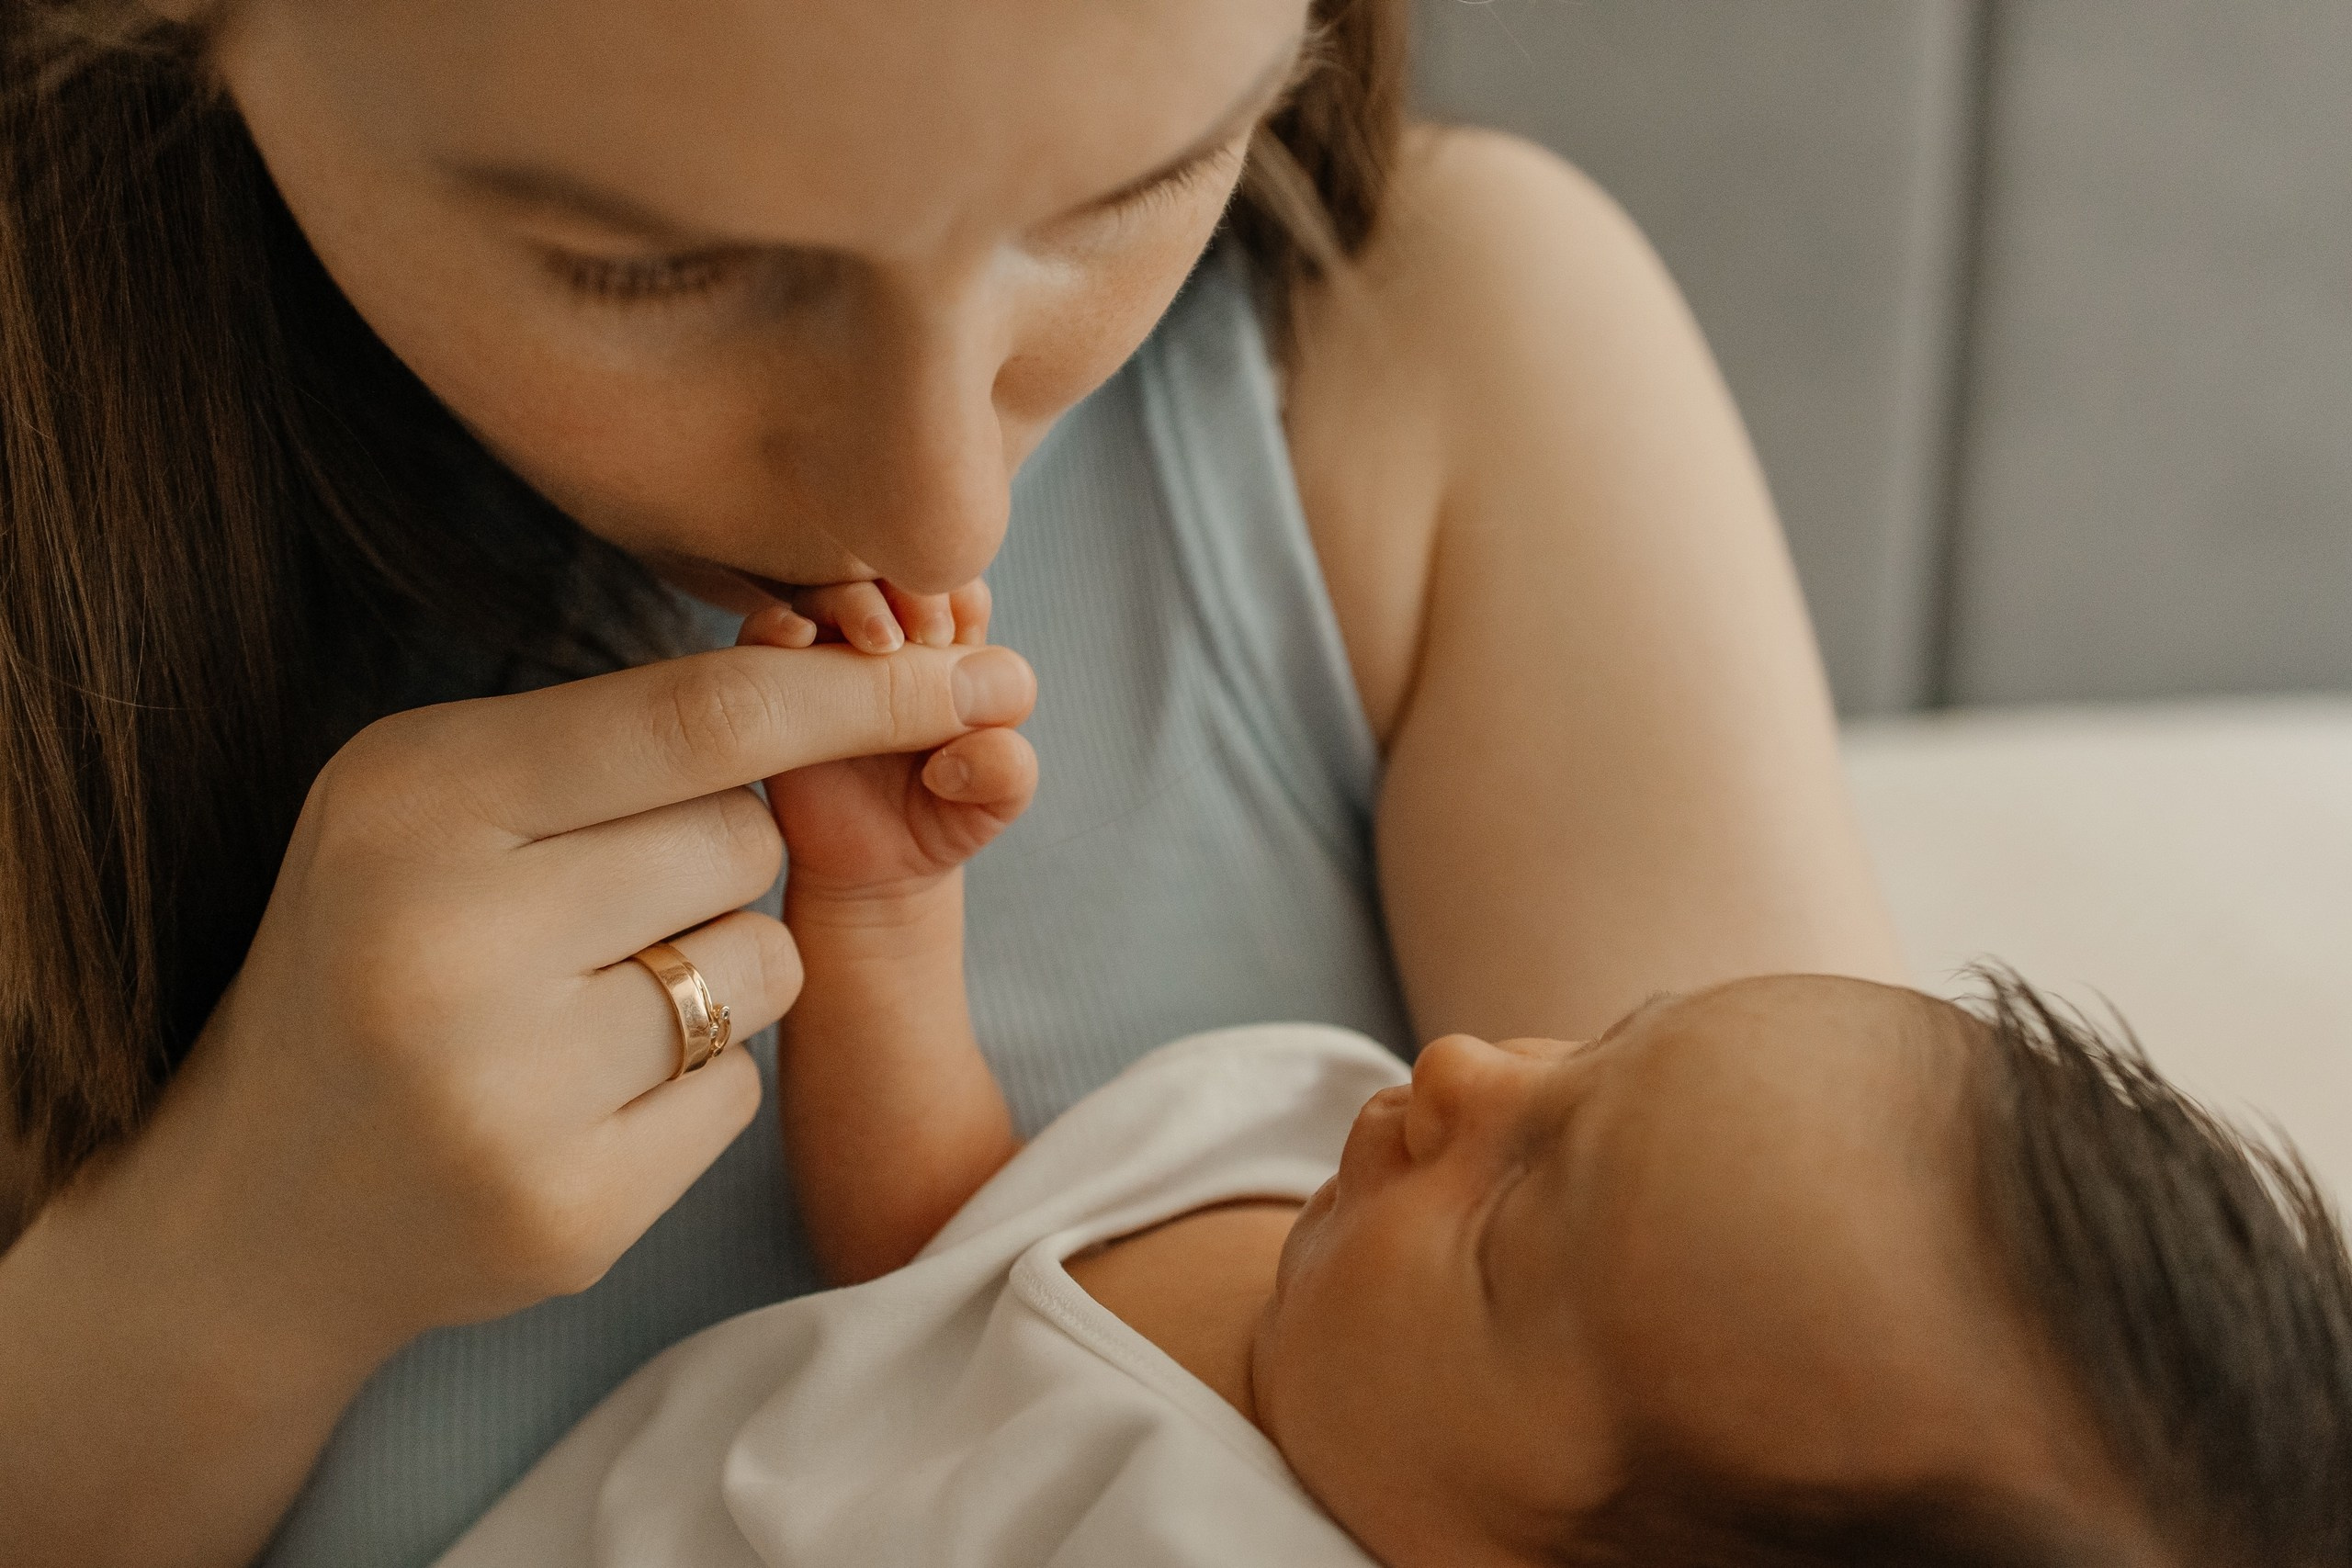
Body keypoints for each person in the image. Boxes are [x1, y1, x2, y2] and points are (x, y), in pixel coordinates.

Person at [0, 1, 1903, 1564]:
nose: (936, 505)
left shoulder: (1440, 359)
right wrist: (224, 1271)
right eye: (643, 264)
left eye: (1132, 186)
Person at [435, 602, 2352, 1568]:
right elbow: (943, 1240)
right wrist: (874, 914)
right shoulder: (1290, 1143)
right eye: (1605, 1043)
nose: (1462, 1072)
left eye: (1514, 1230)